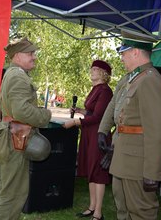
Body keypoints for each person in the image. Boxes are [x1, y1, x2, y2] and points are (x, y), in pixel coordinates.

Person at [98, 31, 161, 220]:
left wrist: (152, 172)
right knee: (124, 211)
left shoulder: (151, 81)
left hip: (139, 164)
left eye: (124, 52)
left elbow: (157, 132)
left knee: (141, 213)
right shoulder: (136, 78)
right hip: (125, 159)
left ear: (136, 52)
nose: (121, 57)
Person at [0, 37, 52, 220]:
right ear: (17, 56)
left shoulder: (13, 73)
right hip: (17, 139)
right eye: (30, 53)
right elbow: (21, 111)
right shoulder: (18, 76)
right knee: (13, 192)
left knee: (4, 187)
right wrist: (45, 115)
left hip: (12, 137)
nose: (34, 57)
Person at [63, 60, 113, 220]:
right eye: (91, 68)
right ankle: (91, 207)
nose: (91, 71)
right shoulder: (95, 89)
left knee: (98, 172)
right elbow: (92, 112)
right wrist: (79, 110)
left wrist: (75, 122)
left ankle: (98, 212)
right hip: (89, 133)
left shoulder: (105, 91)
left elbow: (98, 117)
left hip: (99, 135)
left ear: (104, 74)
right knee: (91, 169)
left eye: (95, 69)